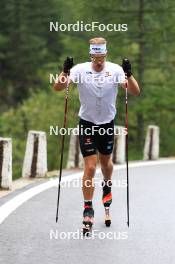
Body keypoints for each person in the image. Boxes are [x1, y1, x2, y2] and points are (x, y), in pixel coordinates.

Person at [54, 37, 140, 234]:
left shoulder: (116, 70)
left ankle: (107, 188)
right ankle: (88, 208)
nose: (99, 61)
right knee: (91, 166)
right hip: (87, 124)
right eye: (96, 57)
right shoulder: (81, 70)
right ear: (91, 55)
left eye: (102, 57)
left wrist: (129, 74)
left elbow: (135, 92)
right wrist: (65, 71)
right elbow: (58, 87)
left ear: (106, 54)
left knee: (105, 163)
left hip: (107, 125)